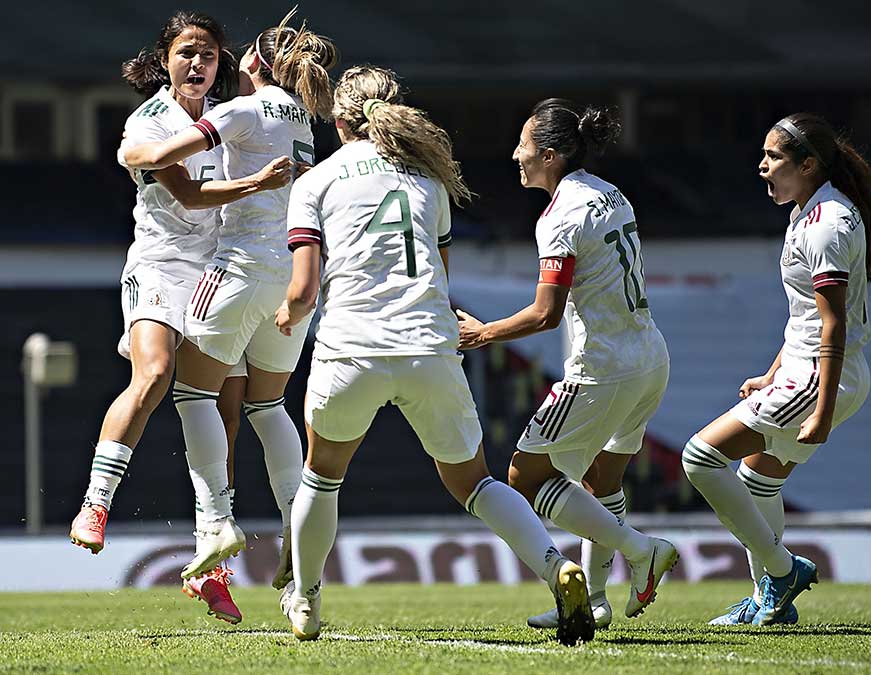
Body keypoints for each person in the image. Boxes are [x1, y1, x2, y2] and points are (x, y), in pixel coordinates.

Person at [274, 66, 595, 646]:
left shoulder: (316, 181)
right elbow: (439, 281)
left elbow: (302, 292)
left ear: (341, 120)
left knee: (321, 478)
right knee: (475, 483)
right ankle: (556, 567)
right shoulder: (430, 182)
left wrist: (285, 316)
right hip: (429, 347)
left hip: (353, 348)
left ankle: (307, 600)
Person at [69, 11, 294, 624]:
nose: (198, 65)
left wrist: (258, 73)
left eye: (210, 56)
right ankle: (95, 503)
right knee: (155, 374)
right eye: (187, 54)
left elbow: (266, 102)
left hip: (219, 270)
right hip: (163, 265)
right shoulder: (150, 120)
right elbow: (190, 195)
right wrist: (258, 183)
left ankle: (209, 563)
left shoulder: (229, 112)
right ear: (166, 60)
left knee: (227, 409)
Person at [120, 10, 336, 584]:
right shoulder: (305, 123)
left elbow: (165, 161)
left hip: (237, 270)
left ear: (253, 64)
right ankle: (298, 525)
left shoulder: (239, 110)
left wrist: (131, 153)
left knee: (192, 394)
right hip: (292, 275)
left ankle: (216, 522)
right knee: (267, 408)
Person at [456, 99, 676, 627]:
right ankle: (595, 601)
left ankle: (641, 550)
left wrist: (482, 332)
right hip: (649, 357)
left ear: (550, 155)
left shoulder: (558, 217)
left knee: (525, 477)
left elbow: (545, 313)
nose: (516, 154)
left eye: (525, 145)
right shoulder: (609, 192)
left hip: (602, 370)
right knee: (603, 482)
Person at [681, 113, 871, 628]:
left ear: (809, 165)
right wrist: (774, 373)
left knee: (700, 458)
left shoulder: (828, 224)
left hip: (819, 378)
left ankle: (781, 570)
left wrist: (822, 409)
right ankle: (770, 599)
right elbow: (806, 318)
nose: (762, 166)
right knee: (756, 480)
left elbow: (833, 327)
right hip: (805, 370)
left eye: (774, 158)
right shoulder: (809, 213)